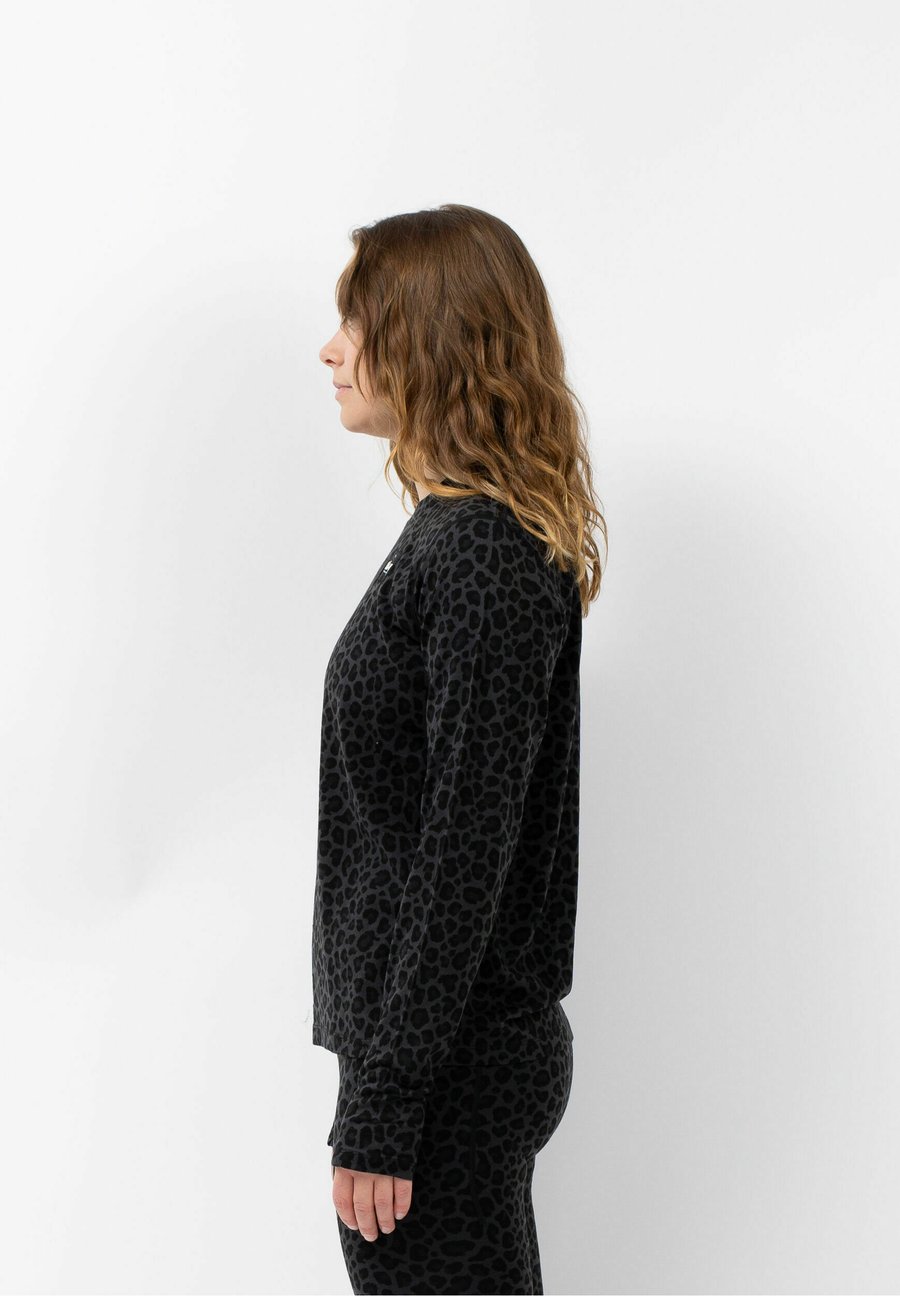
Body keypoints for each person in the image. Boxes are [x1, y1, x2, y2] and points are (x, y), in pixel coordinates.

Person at [314, 203, 606, 1296]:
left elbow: (462, 851)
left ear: (431, 338)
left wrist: (389, 1099)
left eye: (357, 322)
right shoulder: (448, 536)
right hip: (432, 1053)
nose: (331, 350)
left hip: (450, 1064)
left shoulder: (483, 552)